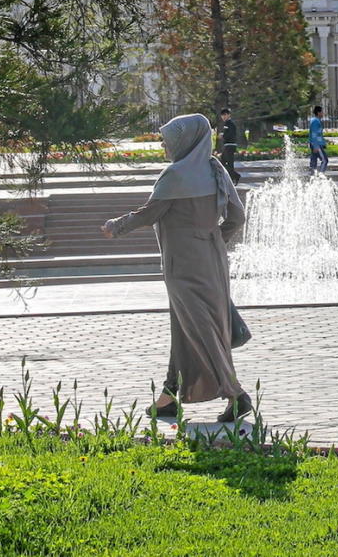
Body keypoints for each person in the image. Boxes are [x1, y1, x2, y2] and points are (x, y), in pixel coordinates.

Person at [100, 114, 253, 423]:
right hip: (212, 259)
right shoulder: (215, 169)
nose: (163, 144)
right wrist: (212, 240)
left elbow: (150, 213)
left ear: (185, 140)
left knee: (200, 328)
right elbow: (237, 217)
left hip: (183, 264)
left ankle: (235, 394)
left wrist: (115, 226)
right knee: (187, 327)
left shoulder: (175, 175)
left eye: (168, 139)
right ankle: (169, 397)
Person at [215, 108, 240, 185]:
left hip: (230, 145)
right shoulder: (227, 124)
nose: (223, 117)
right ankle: (235, 176)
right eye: (222, 115)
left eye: (225, 115)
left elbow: (230, 135)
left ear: (229, 115)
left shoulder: (230, 123)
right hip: (227, 145)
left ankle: (233, 178)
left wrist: (223, 135)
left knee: (229, 163)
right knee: (223, 161)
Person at [308, 105, 328, 173]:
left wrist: (323, 143)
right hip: (316, 145)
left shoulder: (316, 120)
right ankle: (321, 177)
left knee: (314, 162)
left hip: (317, 144)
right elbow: (314, 134)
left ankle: (312, 178)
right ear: (318, 113)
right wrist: (316, 146)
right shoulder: (315, 121)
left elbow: (319, 134)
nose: (323, 113)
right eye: (322, 112)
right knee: (325, 160)